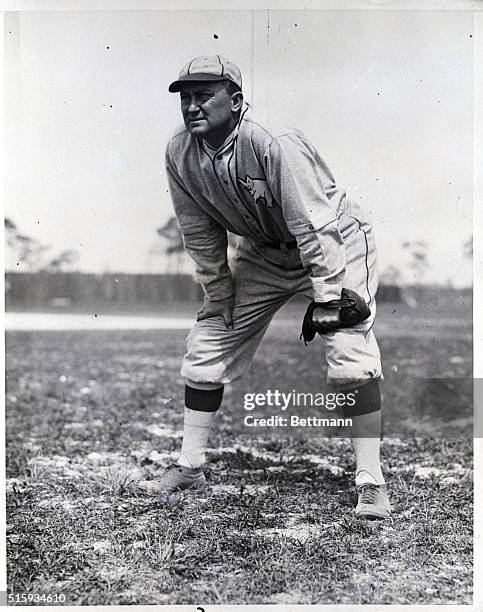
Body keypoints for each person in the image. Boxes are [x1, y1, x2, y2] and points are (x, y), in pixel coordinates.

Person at [142, 54, 391, 519]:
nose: (192, 106)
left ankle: (371, 480)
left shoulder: (273, 142)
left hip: (332, 239)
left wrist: (328, 295)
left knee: (349, 353)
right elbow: (198, 230)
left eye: (204, 96)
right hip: (263, 251)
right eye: (186, 98)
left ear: (236, 101)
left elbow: (314, 225)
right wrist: (218, 295)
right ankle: (191, 465)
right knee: (209, 340)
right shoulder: (179, 151)